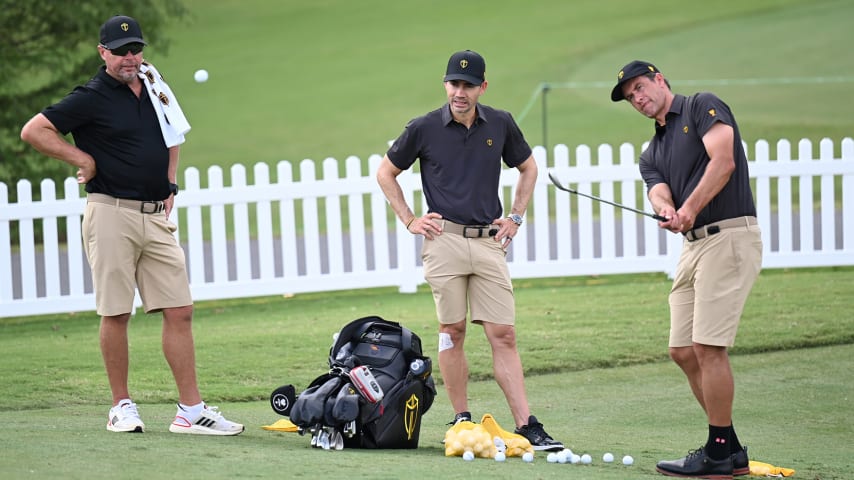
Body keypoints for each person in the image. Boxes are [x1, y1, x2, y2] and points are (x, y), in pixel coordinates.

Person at [20, 15, 243, 436]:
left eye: (135, 49)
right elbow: (34, 130)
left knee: (179, 309)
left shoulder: (154, 84)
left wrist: (170, 182)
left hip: (154, 214)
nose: (130, 58)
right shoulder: (90, 96)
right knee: (117, 311)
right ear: (103, 52)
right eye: (120, 52)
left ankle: (190, 411)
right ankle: (121, 406)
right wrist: (82, 160)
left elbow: (172, 134)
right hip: (110, 213)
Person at [376, 50, 563, 451]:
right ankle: (461, 419)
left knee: (504, 334)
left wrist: (515, 216)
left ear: (482, 86)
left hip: (489, 242)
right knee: (452, 331)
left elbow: (528, 167)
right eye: (454, 84)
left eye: (468, 85)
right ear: (446, 85)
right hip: (443, 242)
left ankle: (527, 424)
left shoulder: (500, 123)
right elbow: (386, 172)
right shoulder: (424, 127)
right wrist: (410, 220)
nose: (460, 92)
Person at [611, 60, 763, 478]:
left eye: (640, 88)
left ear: (659, 80)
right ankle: (729, 447)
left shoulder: (702, 107)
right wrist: (666, 209)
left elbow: (724, 161)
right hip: (693, 248)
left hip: (729, 235)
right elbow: (658, 190)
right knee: (682, 349)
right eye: (631, 97)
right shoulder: (652, 152)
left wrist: (689, 208)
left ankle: (717, 454)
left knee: (709, 347)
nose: (638, 99)